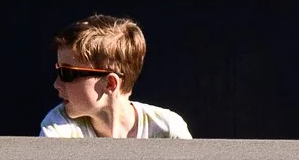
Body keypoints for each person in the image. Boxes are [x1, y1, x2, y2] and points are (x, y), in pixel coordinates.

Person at [39, 13, 191, 139]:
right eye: (58, 71)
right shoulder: (59, 126)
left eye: (67, 73)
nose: (56, 84)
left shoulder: (167, 128)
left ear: (110, 83)